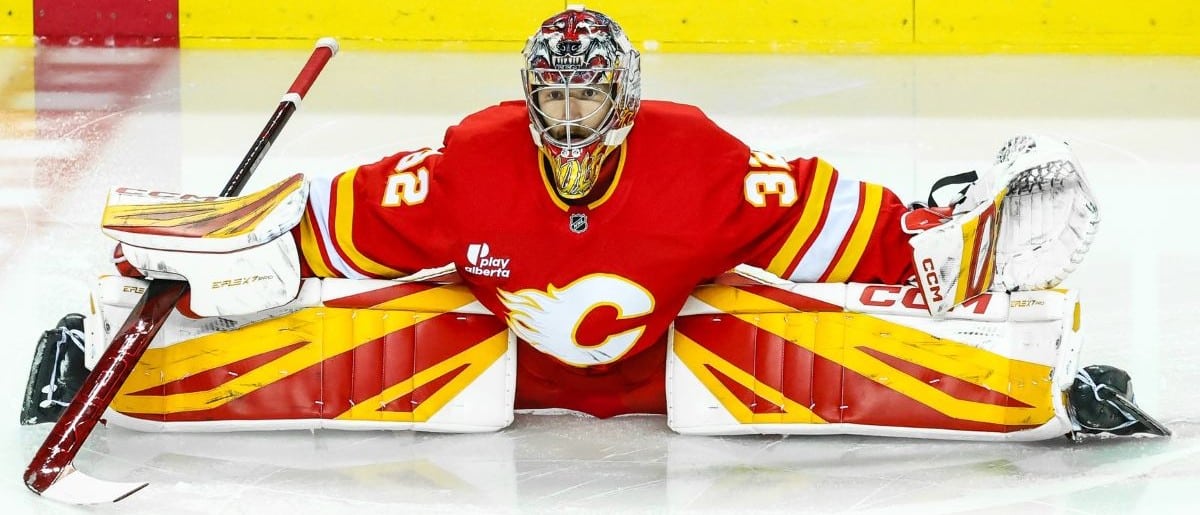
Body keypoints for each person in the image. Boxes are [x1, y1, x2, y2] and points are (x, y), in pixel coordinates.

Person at [24, 7, 1165, 439]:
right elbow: (327, 228)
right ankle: (117, 365)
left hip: (667, 373)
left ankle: (1036, 380)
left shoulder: (697, 156)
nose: (569, 119)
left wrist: (947, 240)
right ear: (532, 101)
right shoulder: (471, 160)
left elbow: (835, 223)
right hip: (497, 374)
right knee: (401, 341)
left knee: (755, 342)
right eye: (553, 98)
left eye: (588, 97)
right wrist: (207, 245)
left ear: (622, 100)